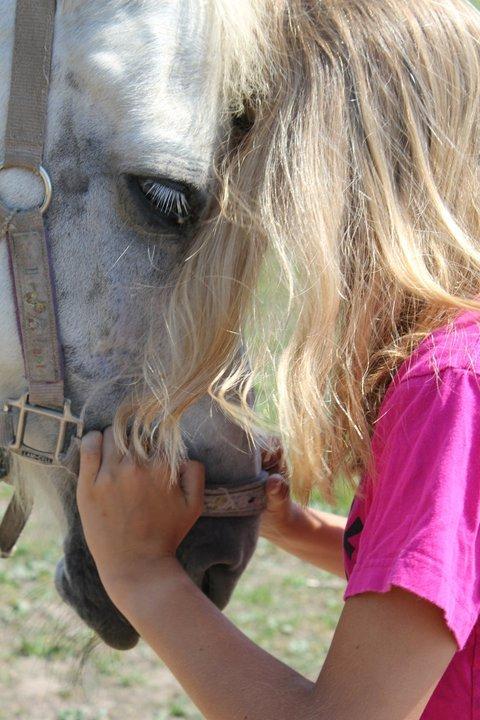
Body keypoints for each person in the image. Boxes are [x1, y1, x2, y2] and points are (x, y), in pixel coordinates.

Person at [76, 0, 480, 718]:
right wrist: (304, 532)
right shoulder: (455, 360)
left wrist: (142, 577)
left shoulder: (450, 388)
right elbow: (451, 580)